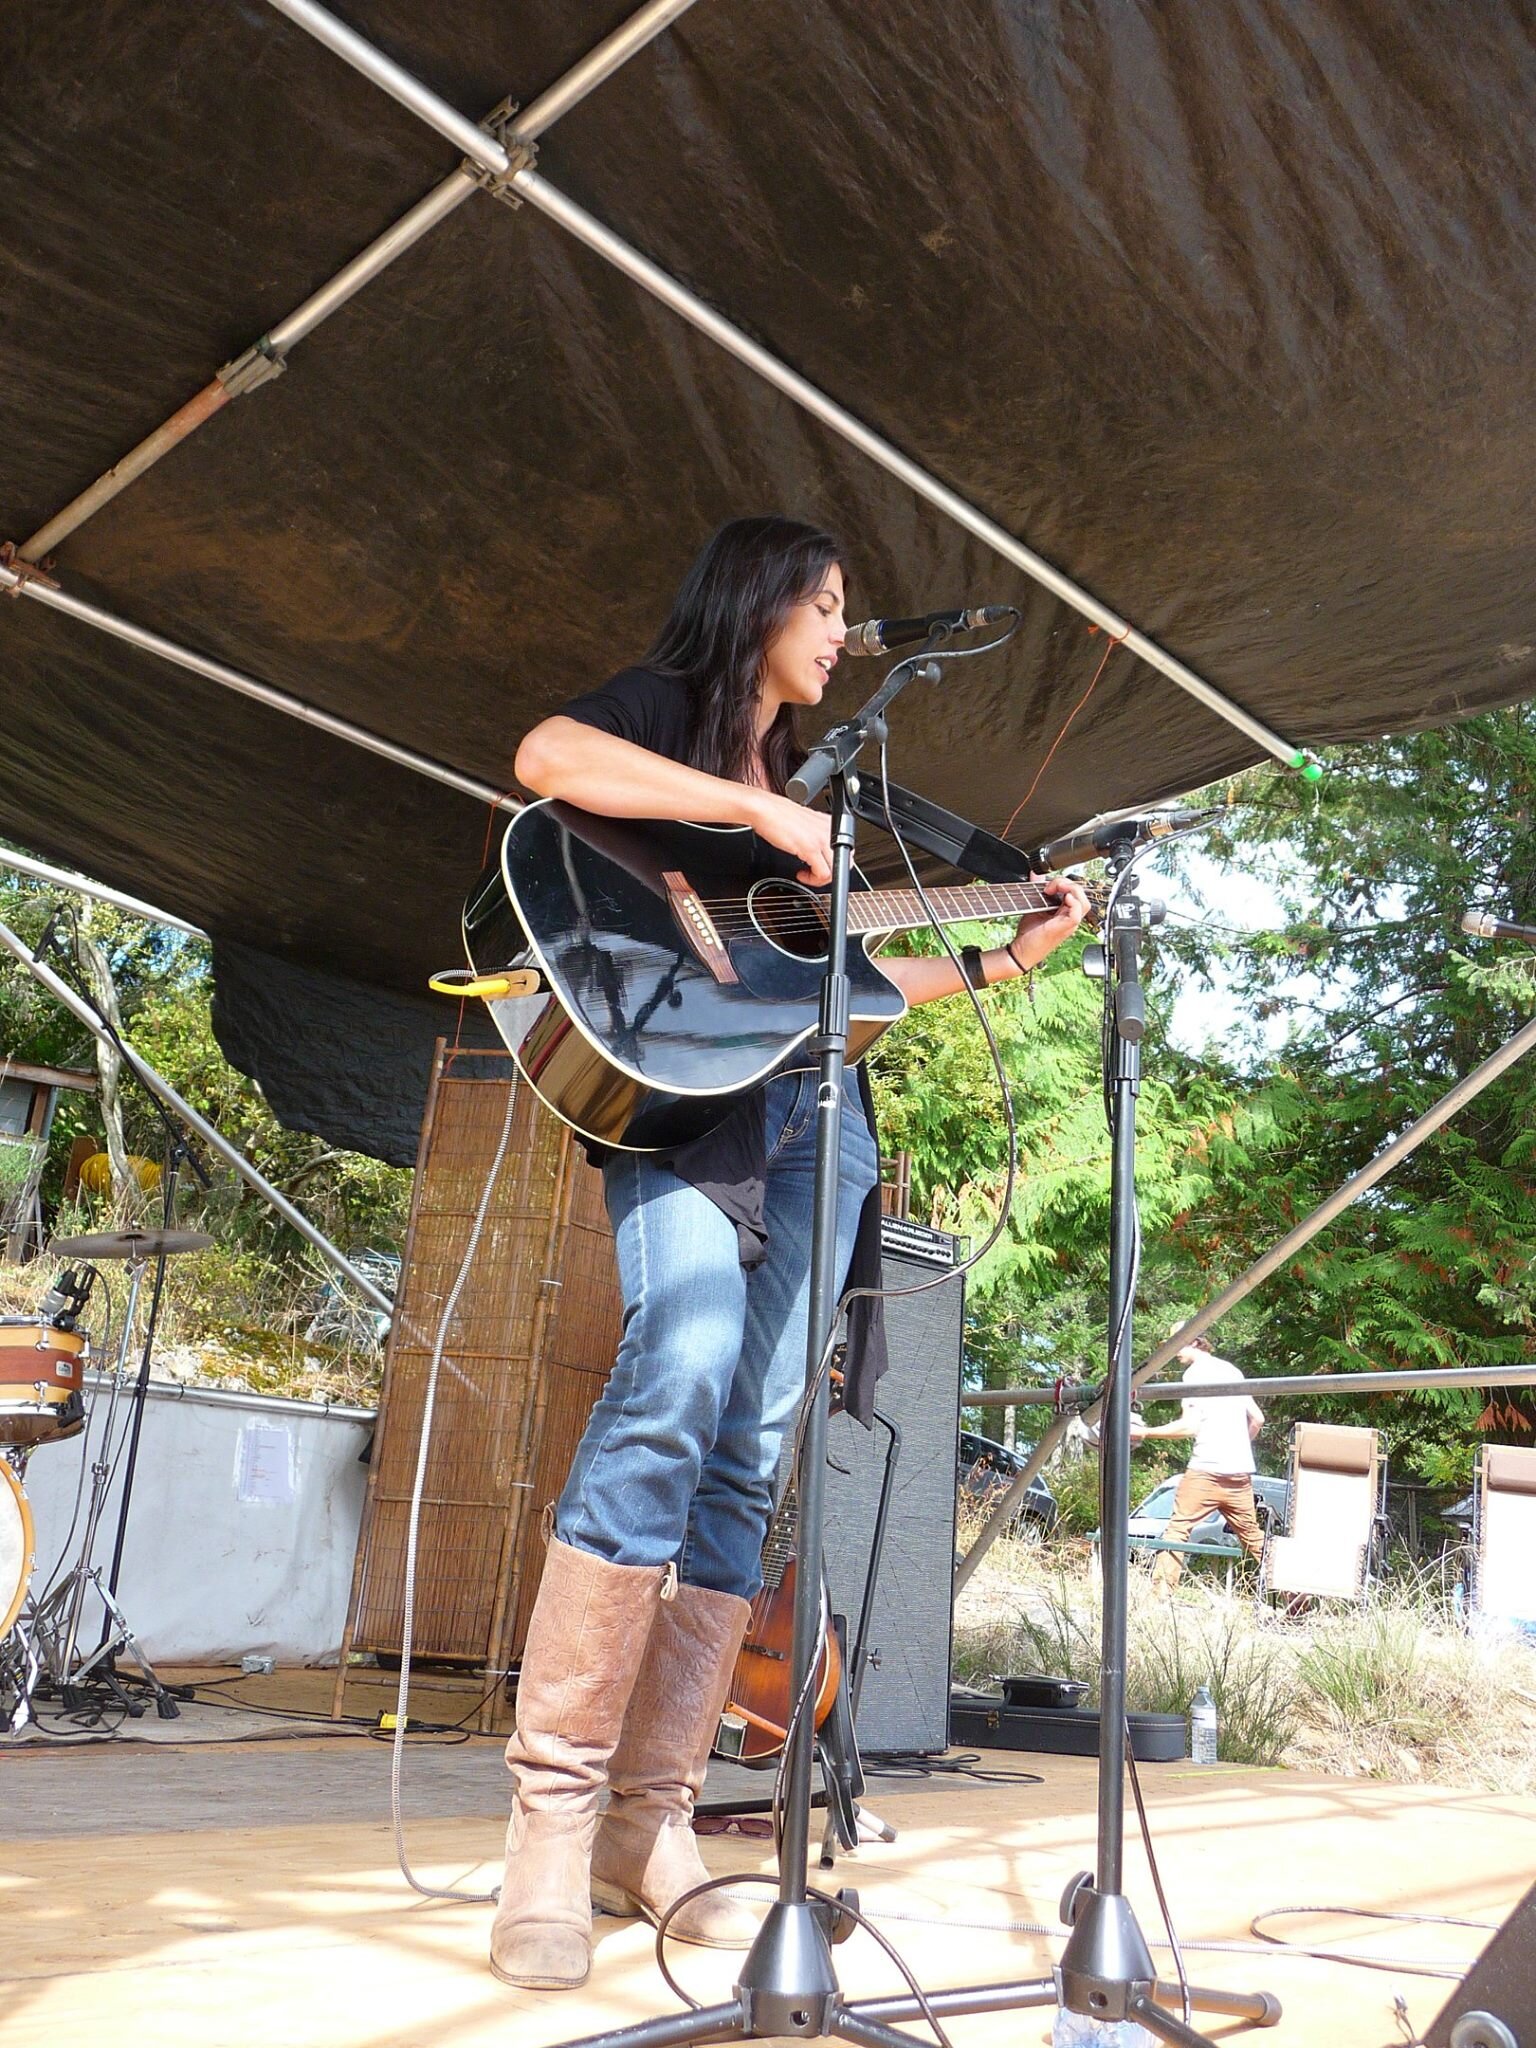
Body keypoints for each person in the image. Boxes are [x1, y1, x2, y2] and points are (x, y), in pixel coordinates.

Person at [491, 515, 1090, 1990]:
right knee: (678, 1364)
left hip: (823, 1120)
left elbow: (860, 989)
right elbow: (544, 762)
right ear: (754, 603)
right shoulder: (680, 722)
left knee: (750, 1445)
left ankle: (653, 1824)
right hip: (676, 1121)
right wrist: (760, 818)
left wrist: (1013, 950)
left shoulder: (841, 828)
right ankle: (549, 1833)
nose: (837, 631)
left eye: (842, 610)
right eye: (823, 605)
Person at [1130, 1333, 1265, 1592]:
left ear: (1194, 1342)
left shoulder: (1194, 1374)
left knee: (1178, 1528)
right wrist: (1236, 1448)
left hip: (1205, 1470)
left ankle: (1160, 1594)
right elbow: (1257, 1419)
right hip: (1239, 1473)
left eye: (1176, 1344)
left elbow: (1190, 1426)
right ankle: (1297, 1599)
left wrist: (1145, 1432)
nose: (1172, 1351)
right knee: (1254, 1538)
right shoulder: (1232, 1370)